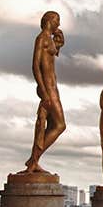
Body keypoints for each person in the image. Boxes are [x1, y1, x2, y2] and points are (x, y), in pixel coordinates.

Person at [23, 11, 66, 172]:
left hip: (53, 87)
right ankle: (33, 159)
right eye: (57, 21)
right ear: (49, 21)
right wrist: (43, 90)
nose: (59, 25)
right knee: (60, 125)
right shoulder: (41, 39)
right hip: (48, 88)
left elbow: (52, 55)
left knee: (54, 124)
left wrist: (59, 43)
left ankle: (34, 160)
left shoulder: (49, 40)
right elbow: (35, 66)